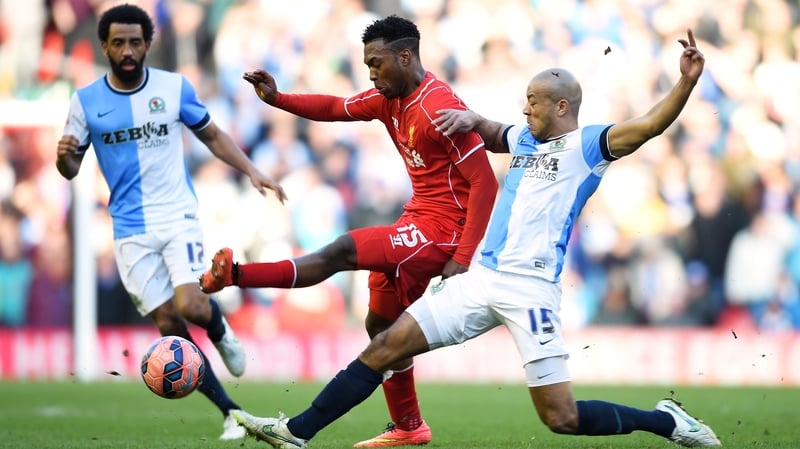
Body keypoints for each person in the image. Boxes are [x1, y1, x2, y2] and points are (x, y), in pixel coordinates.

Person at [229, 29, 721, 448]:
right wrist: (469, 120)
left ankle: (668, 422)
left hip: (531, 291)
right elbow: (490, 130)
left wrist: (685, 81)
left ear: (562, 105)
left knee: (561, 418)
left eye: (532, 100)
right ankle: (296, 432)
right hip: (481, 278)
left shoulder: (589, 145)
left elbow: (650, 126)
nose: (524, 107)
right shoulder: (526, 139)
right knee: (385, 345)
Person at [199, 14, 498, 448]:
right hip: (416, 220)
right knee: (380, 325)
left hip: (442, 233)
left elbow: (485, 182)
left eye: (376, 63)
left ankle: (237, 275)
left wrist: (462, 258)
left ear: (405, 55)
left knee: (342, 251)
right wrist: (277, 98)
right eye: (367, 64)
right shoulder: (388, 98)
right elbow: (335, 108)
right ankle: (409, 427)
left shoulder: (438, 108)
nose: (371, 72)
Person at [55, 4, 287, 440]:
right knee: (169, 327)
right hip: (128, 228)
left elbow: (212, 134)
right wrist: (64, 158)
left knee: (192, 305)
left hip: (177, 213)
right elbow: (70, 167)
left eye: (135, 42)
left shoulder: (173, 87)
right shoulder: (85, 101)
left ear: (148, 44)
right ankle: (230, 413)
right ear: (104, 45)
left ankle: (220, 330)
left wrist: (251, 169)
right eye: (118, 42)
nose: (127, 50)